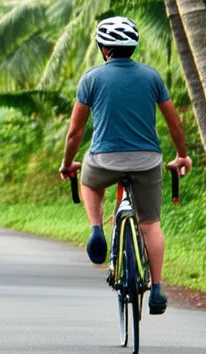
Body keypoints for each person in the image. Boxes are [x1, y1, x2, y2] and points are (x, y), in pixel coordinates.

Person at [58, 17, 192, 315]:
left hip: (103, 160)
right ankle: (156, 289)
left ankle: (96, 228)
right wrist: (181, 155)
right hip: (147, 161)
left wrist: (68, 164)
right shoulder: (152, 77)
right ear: (133, 46)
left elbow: (75, 132)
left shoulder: (91, 79)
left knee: (90, 184)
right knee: (149, 224)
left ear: (104, 48)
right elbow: (175, 125)